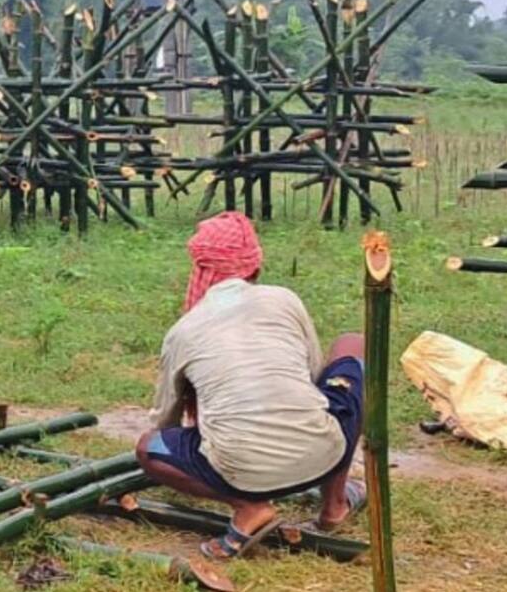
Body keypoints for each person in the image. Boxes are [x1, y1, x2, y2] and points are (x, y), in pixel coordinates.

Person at [135, 212, 366, 560]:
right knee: (353, 343)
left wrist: (197, 446)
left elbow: (165, 419)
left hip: (239, 473)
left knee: (148, 448)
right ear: (254, 267)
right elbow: (313, 373)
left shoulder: (184, 331)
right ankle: (333, 504)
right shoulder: (284, 299)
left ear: (199, 270)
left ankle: (249, 506)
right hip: (324, 452)